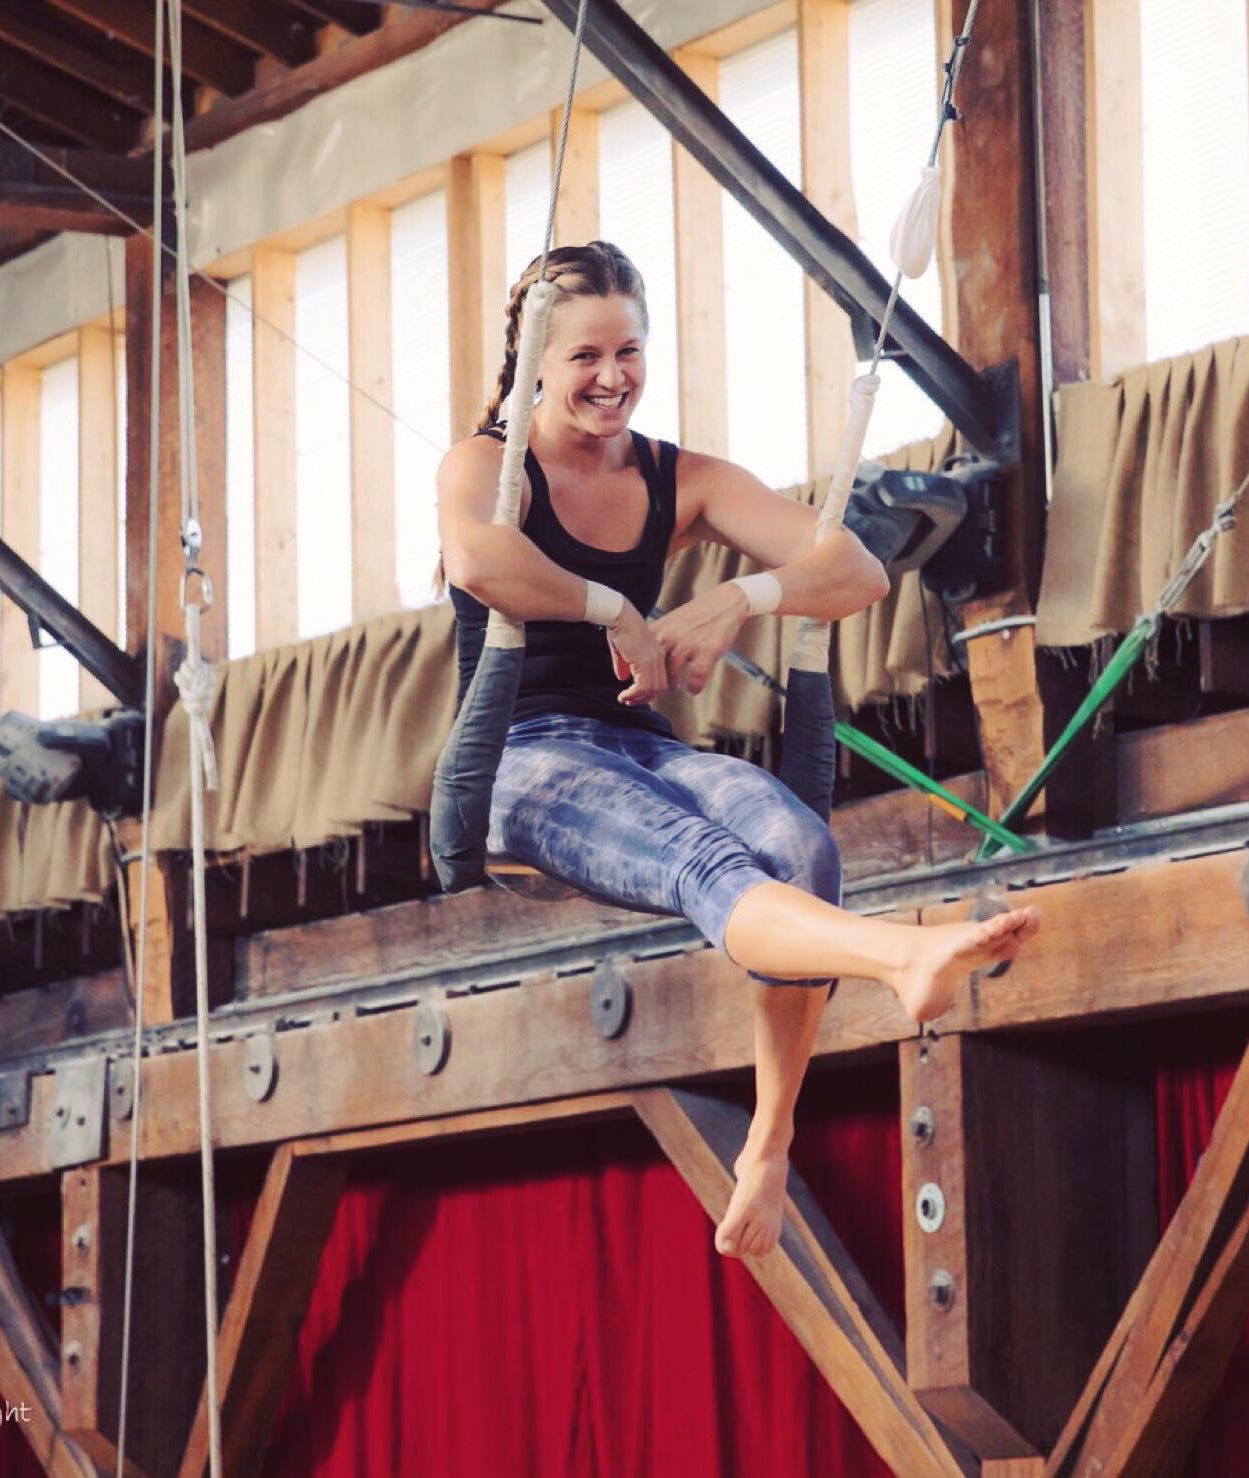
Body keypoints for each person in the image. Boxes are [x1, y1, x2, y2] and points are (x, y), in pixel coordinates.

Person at [437, 242, 1040, 1260]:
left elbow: (852, 568)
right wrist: (613, 605)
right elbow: (478, 557)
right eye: (587, 354)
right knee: (705, 863)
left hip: (638, 747)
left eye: (630, 350)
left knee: (796, 840)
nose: (612, 376)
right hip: (526, 761)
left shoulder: (679, 478)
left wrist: (739, 594)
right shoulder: (490, 467)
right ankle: (904, 952)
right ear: (536, 358)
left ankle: (768, 1141)